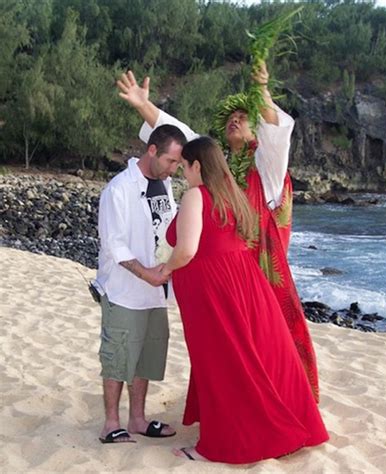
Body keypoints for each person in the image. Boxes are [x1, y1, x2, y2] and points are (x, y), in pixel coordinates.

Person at [117, 67, 320, 402]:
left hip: (259, 275)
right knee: (231, 348)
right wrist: (144, 106)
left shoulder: (266, 169)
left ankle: (278, 402)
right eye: (231, 118)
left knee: (268, 346)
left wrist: (262, 89)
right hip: (225, 279)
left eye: (244, 116)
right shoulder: (218, 169)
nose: (235, 121)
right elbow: (185, 138)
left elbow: (276, 134)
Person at [158, 136, 329, 463]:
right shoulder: (232, 195)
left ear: (197, 165)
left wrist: (164, 269)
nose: (183, 173)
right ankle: (282, 421)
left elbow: (187, 249)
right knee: (257, 351)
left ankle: (226, 441)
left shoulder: (196, 195)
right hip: (244, 280)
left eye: (184, 167)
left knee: (222, 360)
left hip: (211, 287)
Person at [94, 124, 186, 443]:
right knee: (118, 356)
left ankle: (137, 419)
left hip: (157, 292)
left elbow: (167, 230)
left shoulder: (166, 184)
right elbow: (114, 244)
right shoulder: (118, 189)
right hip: (125, 290)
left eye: (178, 163)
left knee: (146, 356)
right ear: (151, 151)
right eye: (171, 161)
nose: (174, 168)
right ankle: (110, 423)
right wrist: (148, 274)